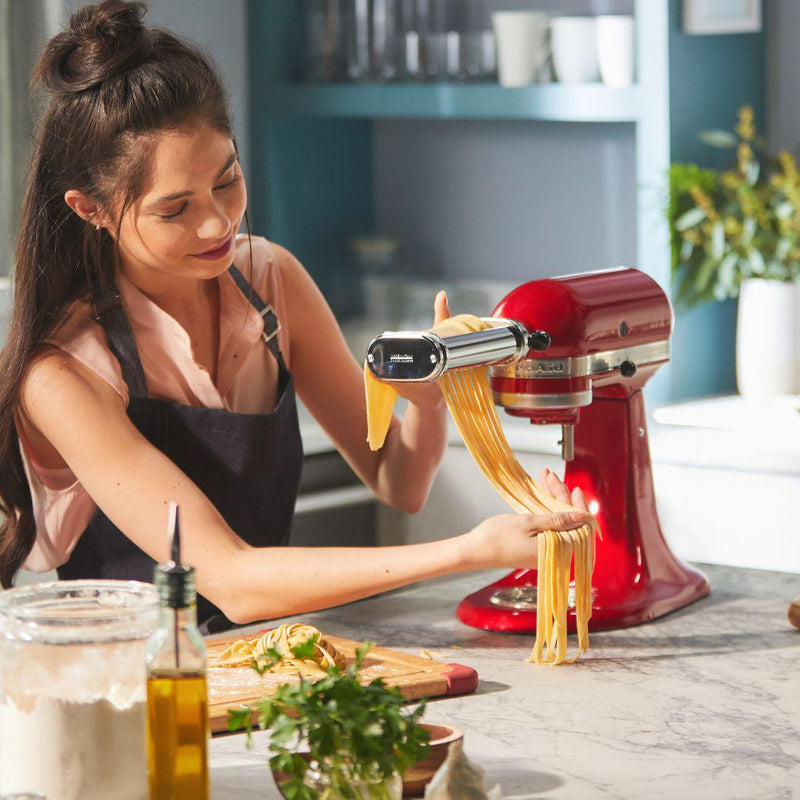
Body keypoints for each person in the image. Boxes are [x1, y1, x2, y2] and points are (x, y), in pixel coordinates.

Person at [0, 0, 589, 632]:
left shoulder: (270, 282)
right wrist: (469, 552)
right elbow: (228, 580)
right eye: (175, 210)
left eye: (227, 181)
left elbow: (398, 483)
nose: (218, 222)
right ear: (90, 209)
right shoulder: (62, 372)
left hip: (262, 662)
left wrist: (425, 402)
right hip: (138, 691)